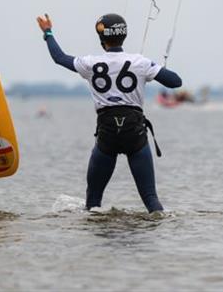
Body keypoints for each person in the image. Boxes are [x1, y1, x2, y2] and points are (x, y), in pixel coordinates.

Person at [37, 12, 182, 213]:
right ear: (124, 35)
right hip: (135, 134)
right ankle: (157, 240)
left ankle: (97, 242)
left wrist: (48, 32)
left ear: (101, 38)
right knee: (151, 200)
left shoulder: (90, 63)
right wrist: (155, 70)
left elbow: (59, 58)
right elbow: (176, 82)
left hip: (107, 134)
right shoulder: (140, 62)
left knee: (93, 202)